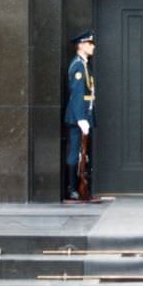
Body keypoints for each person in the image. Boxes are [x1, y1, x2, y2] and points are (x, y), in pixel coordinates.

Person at [64, 30, 96, 200]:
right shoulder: (78, 65)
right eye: (89, 44)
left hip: (84, 115)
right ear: (81, 45)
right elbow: (77, 94)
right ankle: (72, 189)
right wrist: (81, 118)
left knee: (82, 153)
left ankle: (81, 187)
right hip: (78, 117)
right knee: (75, 151)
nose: (92, 47)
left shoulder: (84, 64)